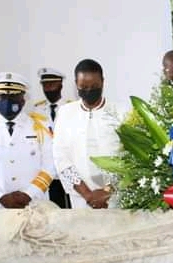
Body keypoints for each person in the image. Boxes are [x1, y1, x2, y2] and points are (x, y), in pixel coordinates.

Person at [0, 72, 55, 226]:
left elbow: (50, 166)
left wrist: (28, 194)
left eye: (13, 97)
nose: (7, 102)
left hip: (36, 208)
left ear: (23, 100)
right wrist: (0, 196)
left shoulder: (39, 127)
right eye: (2, 98)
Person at [53, 59, 126, 209]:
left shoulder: (122, 112)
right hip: (80, 198)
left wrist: (107, 191)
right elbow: (61, 157)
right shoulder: (66, 113)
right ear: (76, 84)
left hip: (115, 197)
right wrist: (87, 195)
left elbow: (130, 157)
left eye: (94, 86)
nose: (89, 91)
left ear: (103, 82)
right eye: (84, 87)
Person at [30, 67, 72, 208]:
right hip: (47, 169)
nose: (48, 88)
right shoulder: (36, 109)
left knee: (73, 207)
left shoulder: (71, 107)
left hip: (68, 165)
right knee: (53, 208)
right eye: (45, 85)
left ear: (60, 84)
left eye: (52, 84)